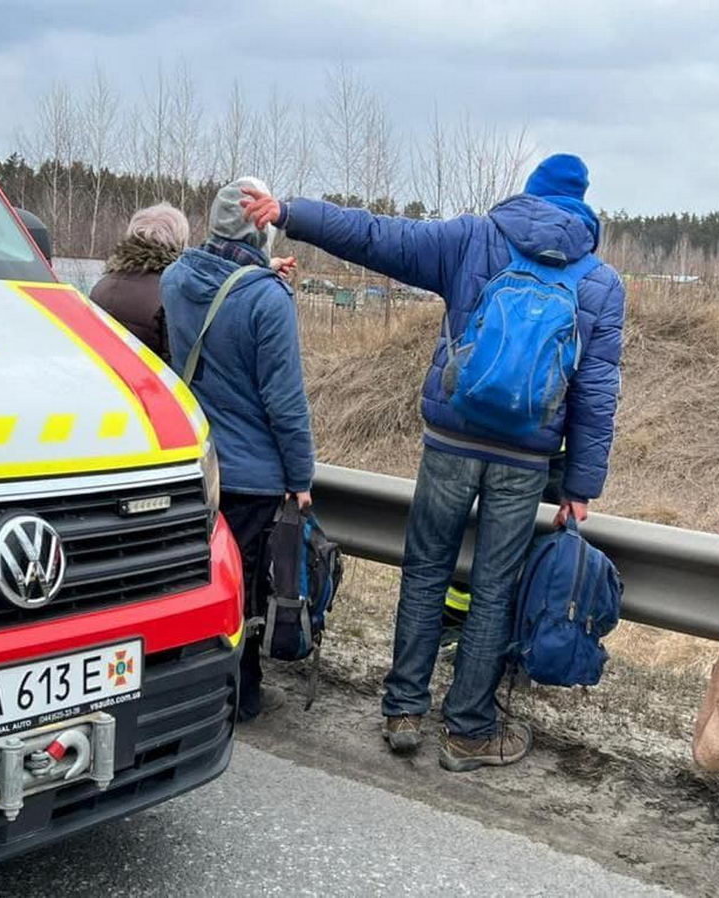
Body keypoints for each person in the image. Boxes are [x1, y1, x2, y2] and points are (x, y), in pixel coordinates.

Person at [242, 154, 625, 770]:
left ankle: (403, 711)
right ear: (582, 205)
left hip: (451, 441)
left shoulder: (474, 238)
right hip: (525, 457)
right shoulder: (600, 283)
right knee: (495, 589)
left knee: (424, 572)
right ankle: (469, 730)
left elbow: (375, 236)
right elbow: (598, 391)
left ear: (529, 194)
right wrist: (580, 485)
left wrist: (291, 214)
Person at [161, 177, 312, 723]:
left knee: (197, 581)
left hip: (196, 464)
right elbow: (285, 400)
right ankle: (241, 696)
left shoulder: (176, 278)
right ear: (262, 227)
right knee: (245, 588)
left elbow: (215, 308)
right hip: (252, 473)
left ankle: (188, 690)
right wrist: (301, 476)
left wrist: (261, 279)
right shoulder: (268, 301)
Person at [89, 203, 190, 363]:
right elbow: (176, 362)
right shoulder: (171, 294)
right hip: (146, 385)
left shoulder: (100, 286)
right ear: (180, 241)